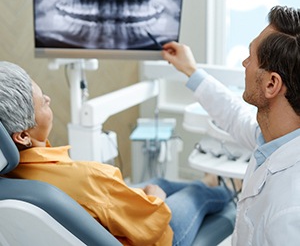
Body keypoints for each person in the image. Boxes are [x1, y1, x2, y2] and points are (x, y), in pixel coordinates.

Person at [0, 61, 232, 246]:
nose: (48, 99)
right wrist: (156, 197)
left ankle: (208, 183)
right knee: (195, 192)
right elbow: (151, 223)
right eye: (43, 103)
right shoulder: (89, 177)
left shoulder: (8, 177)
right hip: (157, 238)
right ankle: (229, 191)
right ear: (21, 136)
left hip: (105, 216)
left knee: (158, 181)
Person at [162, 5, 300, 246]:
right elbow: (235, 116)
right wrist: (190, 70)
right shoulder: (276, 138)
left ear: (271, 85)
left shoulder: (289, 212)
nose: (245, 63)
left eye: (251, 56)